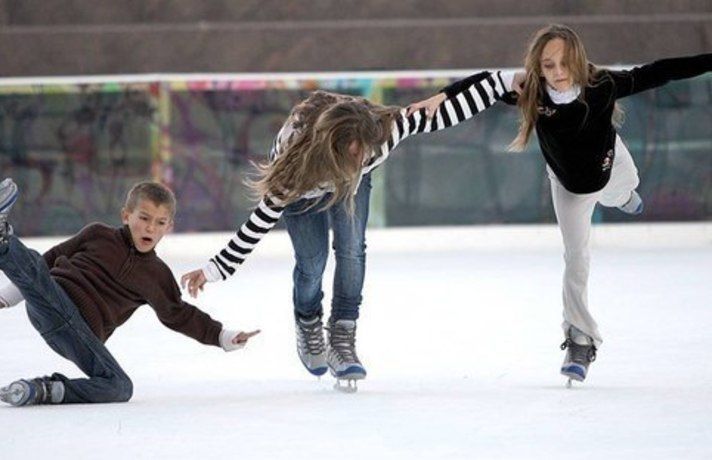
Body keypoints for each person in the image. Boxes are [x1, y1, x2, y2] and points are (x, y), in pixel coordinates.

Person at [407, 24, 712, 384]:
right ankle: (580, 339)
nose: (558, 73)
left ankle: (625, 198)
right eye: (549, 65)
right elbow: (484, 83)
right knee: (577, 258)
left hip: (612, 167)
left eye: (565, 63)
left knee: (625, 190)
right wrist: (441, 96)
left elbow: (660, 71)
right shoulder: (529, 90)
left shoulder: (603, 85)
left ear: (578, 60)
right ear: (538, 66)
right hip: (569, 189)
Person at [181, 81, 512, 390]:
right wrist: (211, 271)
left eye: (361, 154)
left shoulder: (383, 135)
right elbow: (256, 226)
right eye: (351, 155)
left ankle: (342, 335)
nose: (357, 162)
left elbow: (442, 113)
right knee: (313, 261)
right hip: (307, 177)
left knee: (352, 249)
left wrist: (502, 82)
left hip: (343, 154)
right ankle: (308, 320)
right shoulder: (293, 171)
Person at [0, 179, 259, 406]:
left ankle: (42, 391)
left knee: (120, 386)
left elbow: (179, 315)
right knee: (38, 271)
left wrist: (222, 336)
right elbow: (49, 259)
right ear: (126, 215)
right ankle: (3, 239)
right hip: (53, 299)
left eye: (159, 223)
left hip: (81, 337)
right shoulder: (97, 234)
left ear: (169, 227)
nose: (150, 228)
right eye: (143, 218)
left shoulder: (157, 275)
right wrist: (7, 298)